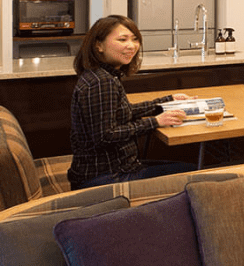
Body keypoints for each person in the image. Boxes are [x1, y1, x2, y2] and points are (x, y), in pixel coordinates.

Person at [67, 15, 197, 189]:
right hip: (106, 179)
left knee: (187, 168)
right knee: (196, 174)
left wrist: (167, 101)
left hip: (113, 170)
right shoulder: (101, 82)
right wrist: (155, 122)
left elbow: (123, 112)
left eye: (135, 39)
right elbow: (105, 136)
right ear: (98, 45)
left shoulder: (102, 75)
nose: (131, 46)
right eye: (122, 39)